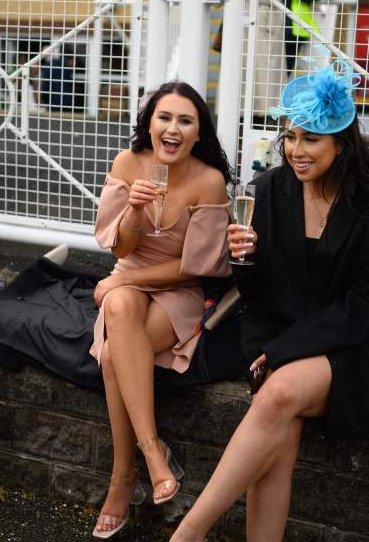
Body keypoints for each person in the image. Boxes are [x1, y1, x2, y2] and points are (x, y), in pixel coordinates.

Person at [169, 59, 369, 542]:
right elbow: (264, 293)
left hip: (353, 347)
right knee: (277, 433)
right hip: (281, 333)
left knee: (278, 392)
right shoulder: (273, 189)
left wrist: (285, 352)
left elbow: (366, 309)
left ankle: (188, 533)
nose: (295, 150)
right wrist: (244, 261)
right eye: (289, 136)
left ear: (343, 145)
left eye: (310, 139)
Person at [89, 81, 233, 538]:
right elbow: (120, 246)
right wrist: (132, 211)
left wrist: (124, 278)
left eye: (185, 121)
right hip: (126, 287)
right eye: (164, 117)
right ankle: (152, 454)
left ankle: (124, 474)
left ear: (197, 133)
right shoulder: (127, 163)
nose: (173, 128)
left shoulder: (208, 179)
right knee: (119, 304)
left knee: (115, 354)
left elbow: (198, 266)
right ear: (149, 124)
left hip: (178, 289)